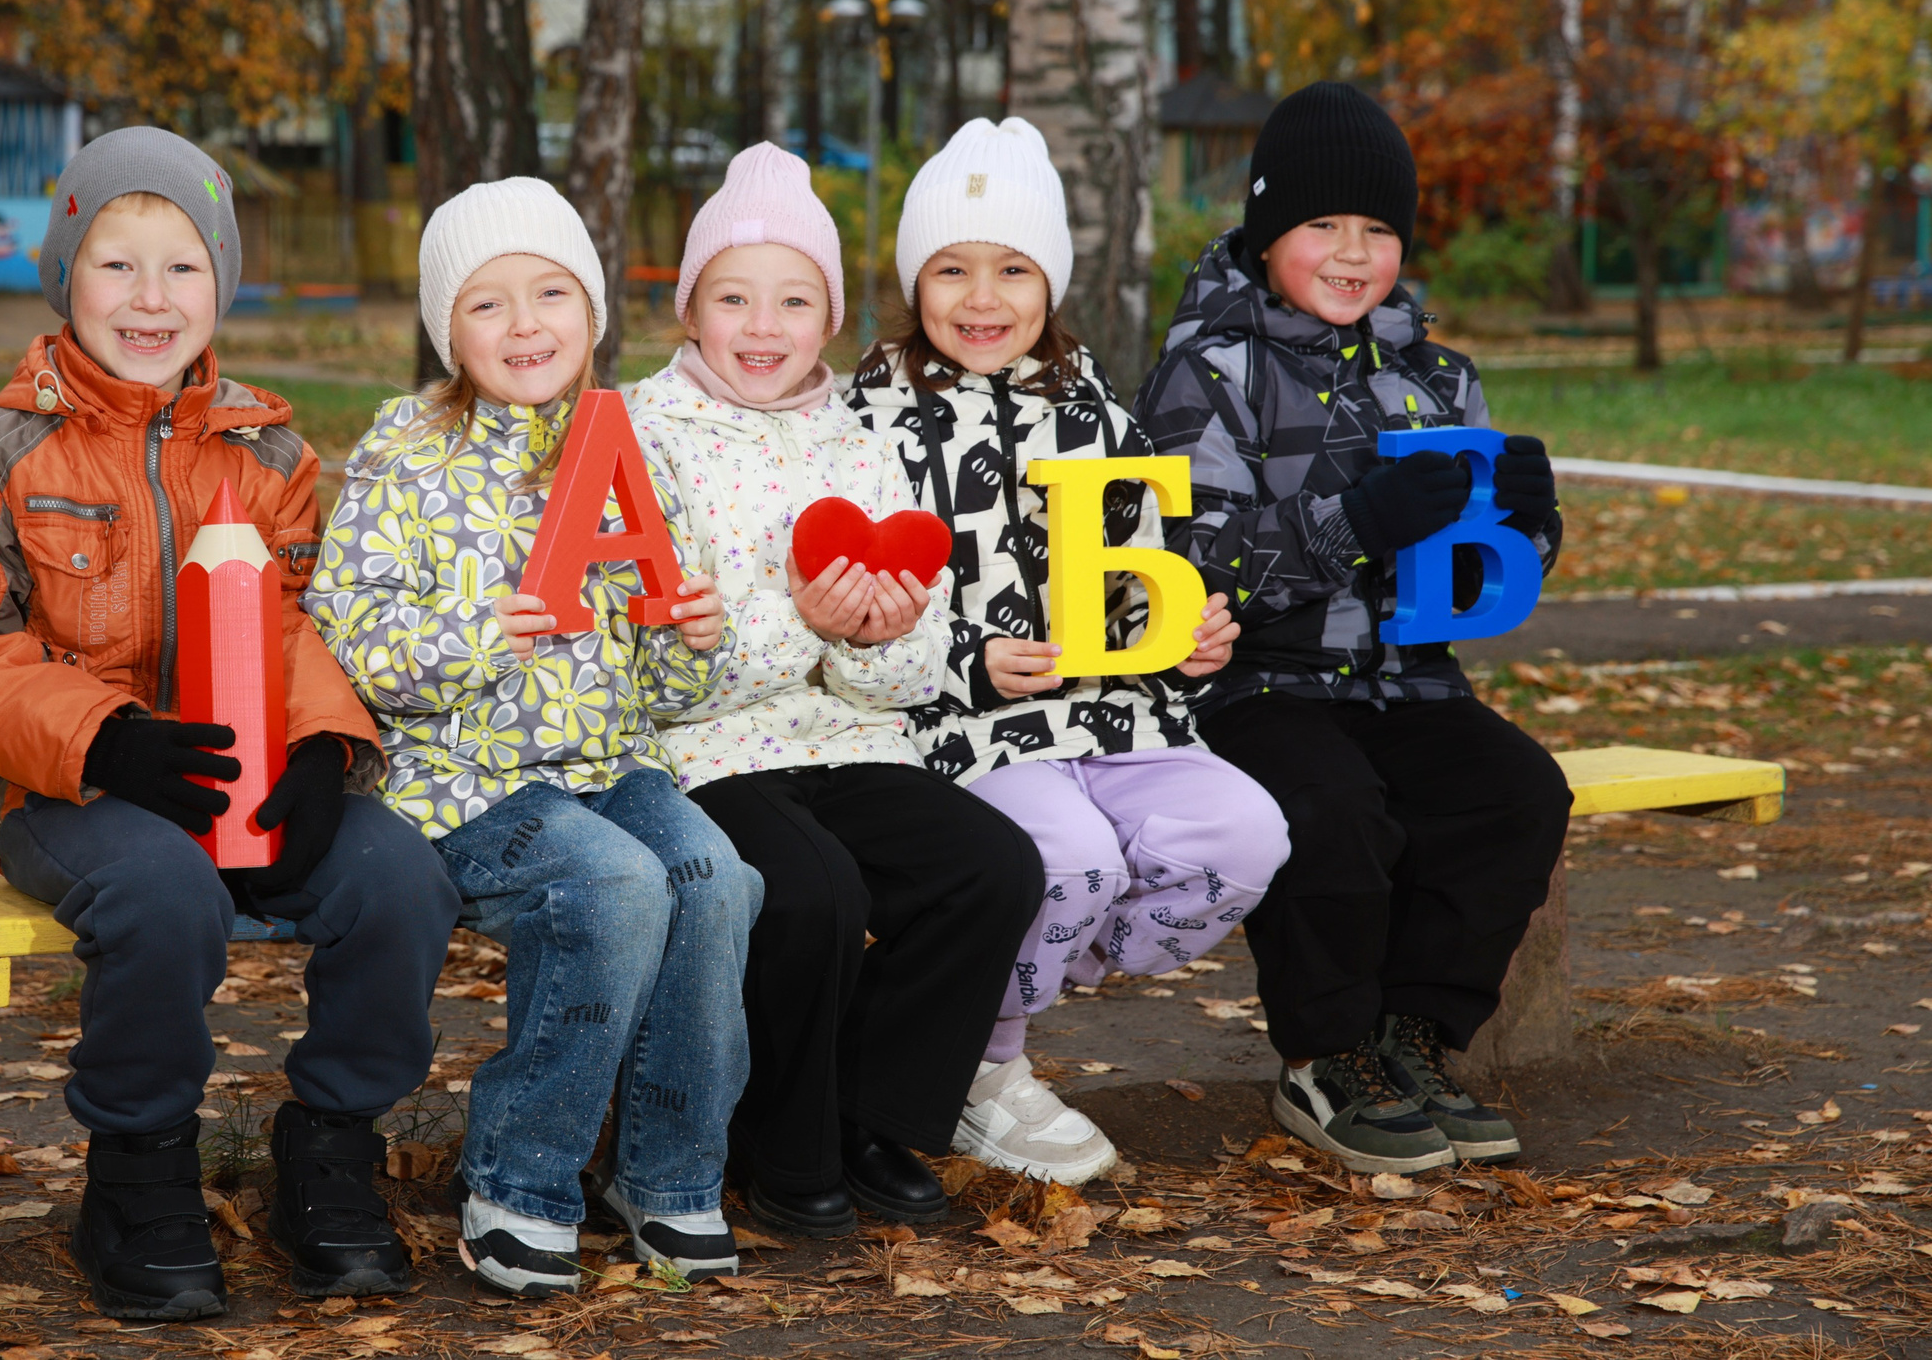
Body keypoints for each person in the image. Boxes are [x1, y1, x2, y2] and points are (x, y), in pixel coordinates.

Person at [0, 127, 460, 1318]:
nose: (150, 299)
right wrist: (102, 736)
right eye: (116, 265)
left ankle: (329, 1150)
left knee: (401, 878)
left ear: (222, 283)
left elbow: (303, 617)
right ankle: (138, 1168)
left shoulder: (271, 454)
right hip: (72, 787)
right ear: (64, 278)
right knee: (165, 896)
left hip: (244, 762)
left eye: (183, 267)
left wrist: (318, 746)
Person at [305, 178, 761, 1297]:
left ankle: (668, 1178)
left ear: (593, 313)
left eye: (551, 293)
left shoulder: (627, 452)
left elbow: (666, 681)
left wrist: (690, 631)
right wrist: (474, 633)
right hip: (460, 782)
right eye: (486, 304)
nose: (524, 326)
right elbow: (348, 638)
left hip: (607, 763)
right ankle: (520, 1181)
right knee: (612, 886)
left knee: (714, 875)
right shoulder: (404, 454)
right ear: (446, 331)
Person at [1132, 80, 1571, 1174]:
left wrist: (1526, 524)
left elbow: (1479, 574)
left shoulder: (1437, 375)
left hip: (1411, 680)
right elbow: (1184, 564)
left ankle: (1408, 1039)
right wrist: (1348, 523)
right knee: (1334, 812)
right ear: (1267, 230)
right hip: (1258, 685)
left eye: (1376, 229)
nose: (1349, 251)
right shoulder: (1205, 374)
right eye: (1321, 225)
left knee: (1514, 795)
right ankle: (1325, 1055)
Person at [848, 118, 1291, 1184]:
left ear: (1051, 284)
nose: (982, 297)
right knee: (1070, 862)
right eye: (950, 270)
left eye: (1012, 269)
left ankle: (991, 989)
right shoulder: (864, 420)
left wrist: (1187, 638)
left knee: (1246, 836)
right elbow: (853, 604)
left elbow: (1136, 570)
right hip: (964, 730)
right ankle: (985, 1066)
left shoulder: (1098, 413)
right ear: (915, 283)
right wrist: (967, 659)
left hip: (1117, 720)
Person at [625, 144, 1045, 1235]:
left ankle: (869, 1115)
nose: (762, 328)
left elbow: (908, 667)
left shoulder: (859, 443)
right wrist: (799, 624)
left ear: (830, 320)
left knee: (990, 865)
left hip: (851, 740)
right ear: (689, 310)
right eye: (733, 298)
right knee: (811, 891)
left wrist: (874, 642)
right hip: (704, 749)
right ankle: (782, 1142)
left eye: (793, 301)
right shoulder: (636, 433)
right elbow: (659, 667)